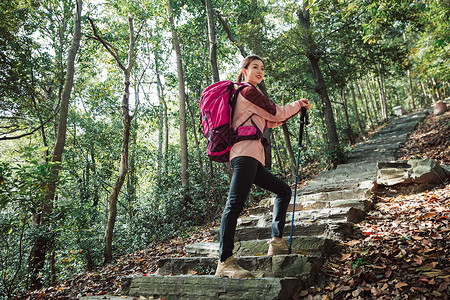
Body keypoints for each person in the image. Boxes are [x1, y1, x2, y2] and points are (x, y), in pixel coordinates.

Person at [215, 55, 311, 278]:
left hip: (252, 157)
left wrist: (295, 110)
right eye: (255, 67)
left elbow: (272, 119)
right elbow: (276, 112)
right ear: (244, 70)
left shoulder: (246, 95)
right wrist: (297, 104)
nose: (260, 71)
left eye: (262, 68)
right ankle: (224, 261)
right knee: (234, 206)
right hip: (245, 155)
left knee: (283, 190)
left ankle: (276, 242)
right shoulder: (248, 91)